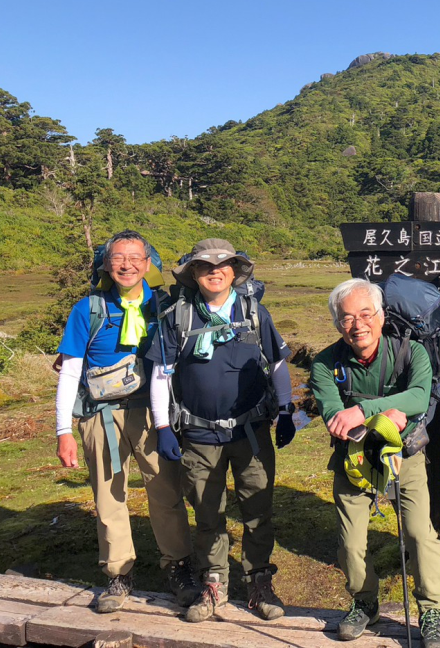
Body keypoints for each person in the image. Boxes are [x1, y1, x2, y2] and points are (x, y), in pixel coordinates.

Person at [147, 238, 296, 623]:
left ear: (235, 271)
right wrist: (163, 426)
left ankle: (259, 581)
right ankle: (214, 584)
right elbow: (161, 376)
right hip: (197, 436)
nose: (215, 271)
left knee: (258, 510)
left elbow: (277, 364)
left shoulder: (254, 312)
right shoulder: (177, 317)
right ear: (193, 273)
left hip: (251, 433)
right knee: (207, 513)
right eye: (205, 266)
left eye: (223, 265)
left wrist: (285, 407)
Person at [55, 229, 199, 613]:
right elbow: (70, 372)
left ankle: (179, 568)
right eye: (119, 258)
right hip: (99, 416)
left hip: (155, 413)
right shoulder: (88, 309)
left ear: (148, 263)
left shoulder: (165, 306)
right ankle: (118, 574)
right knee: (108, 496)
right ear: (106, 263)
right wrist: (63, 431)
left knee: (166, 492)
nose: (127, 265)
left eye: (136, 258)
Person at [310, 278, 440, 648]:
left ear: (382, 316)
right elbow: (336, 421)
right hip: (354, 461)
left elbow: (419, 398)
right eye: (347, 318)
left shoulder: (411, 352)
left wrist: (364, 411)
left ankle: (432, 609)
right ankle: (364, 602)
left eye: (366, 314)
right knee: (350, 543)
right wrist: (387, 414)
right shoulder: (325, 365)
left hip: (405, 455)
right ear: (338, 324)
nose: (358, 325)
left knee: (420, 534)